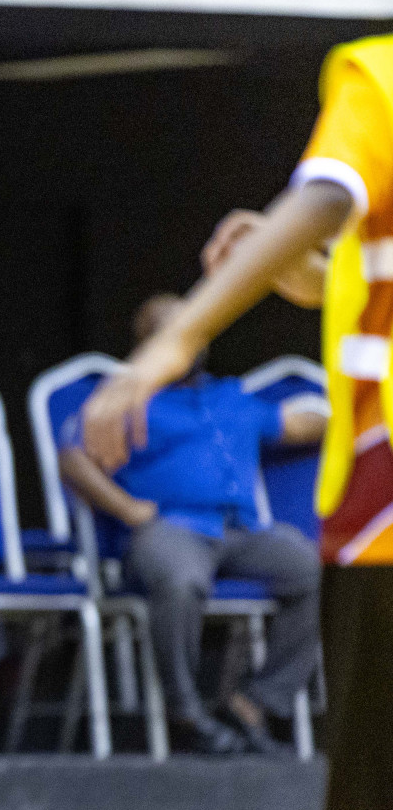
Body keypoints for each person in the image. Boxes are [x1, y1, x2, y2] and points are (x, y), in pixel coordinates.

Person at [80, 32, 393, 810]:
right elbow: (347, 268)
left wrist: (173, 342)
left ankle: (247, 709)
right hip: (168, 530)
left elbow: (331, 196)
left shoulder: (380, 73)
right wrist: (290, 267)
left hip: (371, 528)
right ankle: (193, 713)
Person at [62, 294, 324, 754]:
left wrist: (352, 408)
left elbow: (298, 425)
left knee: (308, 564)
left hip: (239, 529)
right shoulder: (126, 398)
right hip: (168, 527)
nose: (188, 341)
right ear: (148, 344)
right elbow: (73, 458)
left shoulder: (231, 396)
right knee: (182, 578)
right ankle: (184, 709)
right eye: (172, 332)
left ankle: (254, 702)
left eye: (193, 329)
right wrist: (127, 509)